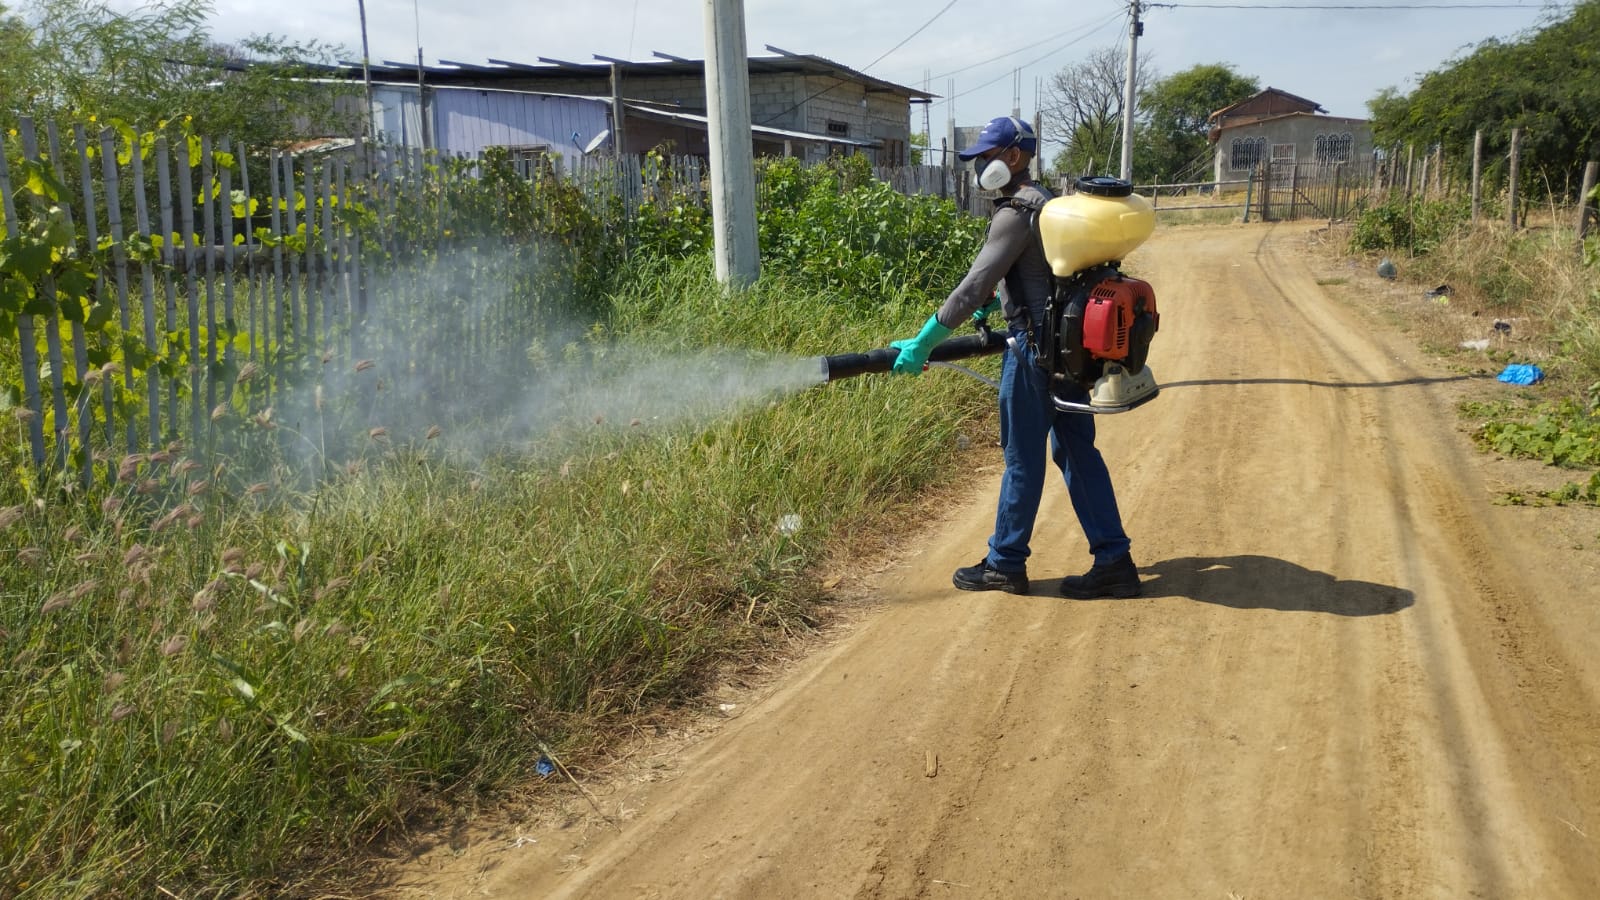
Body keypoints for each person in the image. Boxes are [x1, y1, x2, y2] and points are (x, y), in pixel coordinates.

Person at [888, 115, 1141, 600]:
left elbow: (971, 288)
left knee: (1022, 459)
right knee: (1077, 452)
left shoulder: (1016, 212)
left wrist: (923, 341)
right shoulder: (1049, 203)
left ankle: (1005, 563)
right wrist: (1001, 301)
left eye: (986, 156)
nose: (979, 166)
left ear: (1013, 157)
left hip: (1034, 354)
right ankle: (1114, 560)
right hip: (1070, 351)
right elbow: (1042, 276)